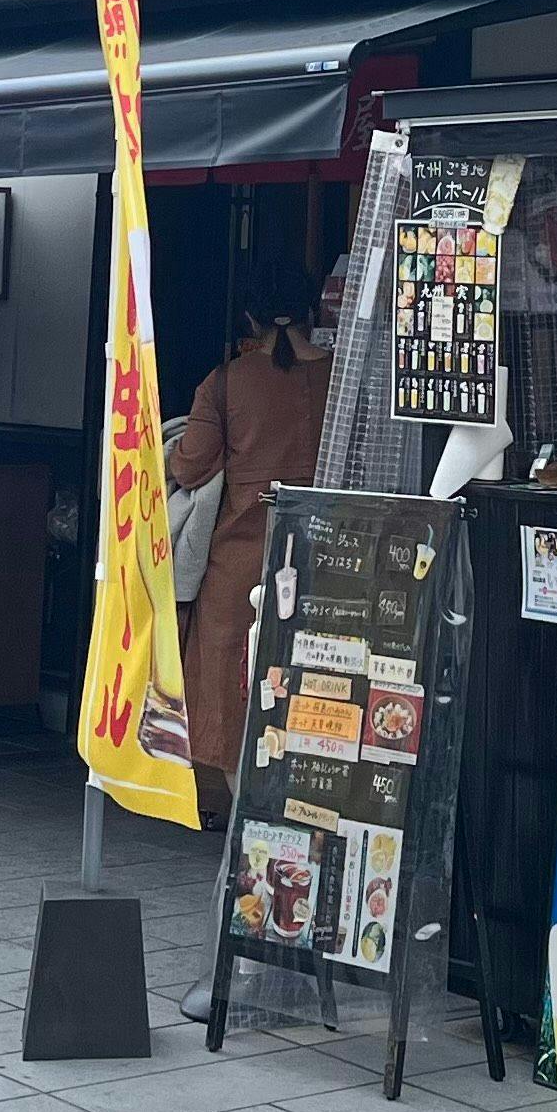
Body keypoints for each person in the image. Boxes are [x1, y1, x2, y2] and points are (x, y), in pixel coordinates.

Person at [167, 255, 333, 824]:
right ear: (314, 311)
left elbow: (189, 468)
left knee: (228, 688)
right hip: (326, 559)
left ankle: (245, 817)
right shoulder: (339, 377)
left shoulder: (225, 383)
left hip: (241, 564)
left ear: (248, 317)